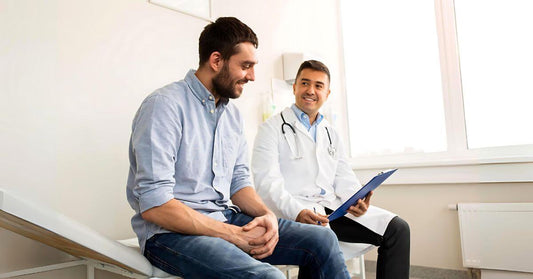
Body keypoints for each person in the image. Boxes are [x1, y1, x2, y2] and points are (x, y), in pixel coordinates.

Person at [126, 18, 350, 279]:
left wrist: (268, 217)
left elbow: (238, 183)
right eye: (246, 66)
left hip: (224, 218)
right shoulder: (164, 106)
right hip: (170, 236)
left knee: (322, 240)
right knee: (270, 277)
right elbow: (156, 205)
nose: (252, 76)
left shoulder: (231, 116)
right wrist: (232, 235)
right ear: (216, 60)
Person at [252, 60, 411, 279]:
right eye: (305, 83)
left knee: (397, 229)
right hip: (294, 212)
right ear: (294, 87)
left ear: (327, 93)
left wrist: (356, 199)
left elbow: (343, 176)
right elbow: (266, 184)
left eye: (318, 86)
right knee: (318, 241)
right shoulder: (270, 129)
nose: (310, 90)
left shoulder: (330, 132)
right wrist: (296, 211)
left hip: (331, 210)